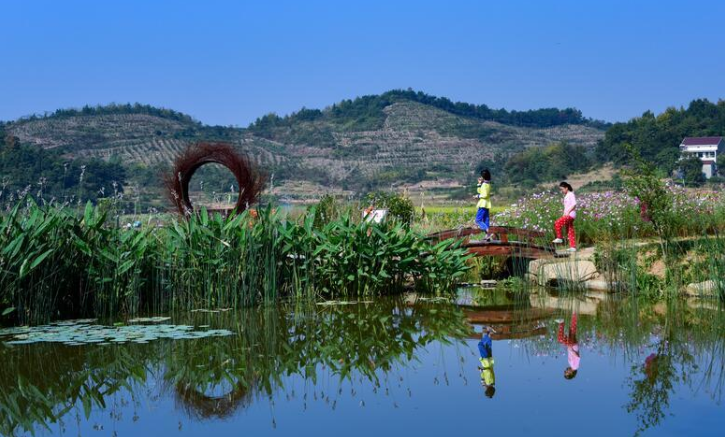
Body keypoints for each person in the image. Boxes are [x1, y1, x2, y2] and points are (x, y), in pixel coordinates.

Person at [552, 181, 577, 252]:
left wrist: (568, 212)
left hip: (570, 215)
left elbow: (574, 204)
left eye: (562, 189)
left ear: (566, 188)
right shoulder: (566, 195)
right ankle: (573, 247)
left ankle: (559, 238)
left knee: (557, 223)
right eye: (561, 189)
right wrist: (564, 213)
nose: (562, 191)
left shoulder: (571, 194)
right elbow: (567, 206)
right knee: (570, 230)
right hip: (568, 214)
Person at [557, 313, 580, 380]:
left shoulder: (571, 364)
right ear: (571, 373)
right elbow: (577, 357)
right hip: (572, 346)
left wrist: (568, 348)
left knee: (572, 330)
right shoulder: (575, 366)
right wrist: (571, 349)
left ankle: (574, 314)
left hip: (572, 346)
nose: (565, 370)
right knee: (560, 339)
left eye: (565, 372)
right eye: (566, 372)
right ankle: (562, 322)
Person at [474, 169, 493, 241]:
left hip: (483, 203)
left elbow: (484, 195)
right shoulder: (487, 184)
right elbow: (480, 191)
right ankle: (487, 236)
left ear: (483, 176)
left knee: (478, 220)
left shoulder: (484, 185)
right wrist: (479, 184)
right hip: (487, 204)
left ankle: (488, 232)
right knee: (486, 219)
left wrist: (478, 196)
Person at [477, 327, 496, 398]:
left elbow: (485, 375)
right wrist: (481, 369)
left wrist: (481, 373)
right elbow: (488, 372)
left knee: (488, 345)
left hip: (490, 361)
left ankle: (489, 331)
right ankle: (489, 334)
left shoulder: (493, 382)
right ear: (487, 389)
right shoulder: (488, 382)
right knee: (480, 345)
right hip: (486, 362)